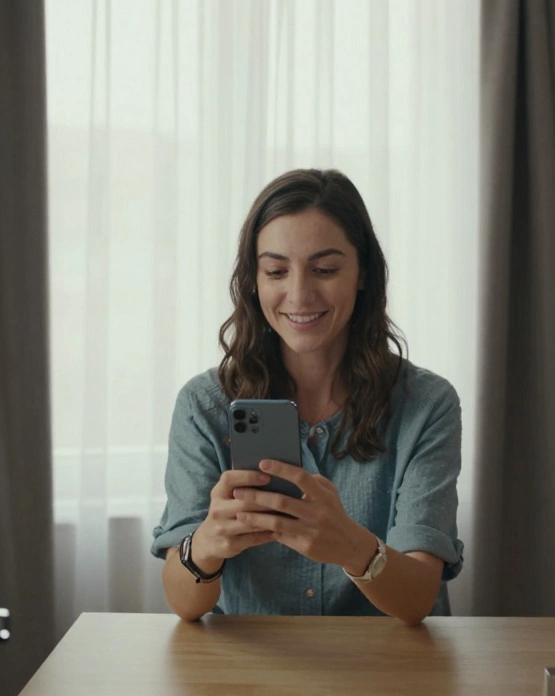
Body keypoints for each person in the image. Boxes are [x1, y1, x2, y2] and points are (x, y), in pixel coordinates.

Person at [151, 168, 465, 626]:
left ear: (362, 274)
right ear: (254, 281)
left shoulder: (426, 405)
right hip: (253, 669)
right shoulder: (204, 405)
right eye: (276, 270)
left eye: (325, 269)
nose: (299, 294)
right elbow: (184, 604)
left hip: (387, 669)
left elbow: (418, 599)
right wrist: (205, 546)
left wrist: (350, 545)